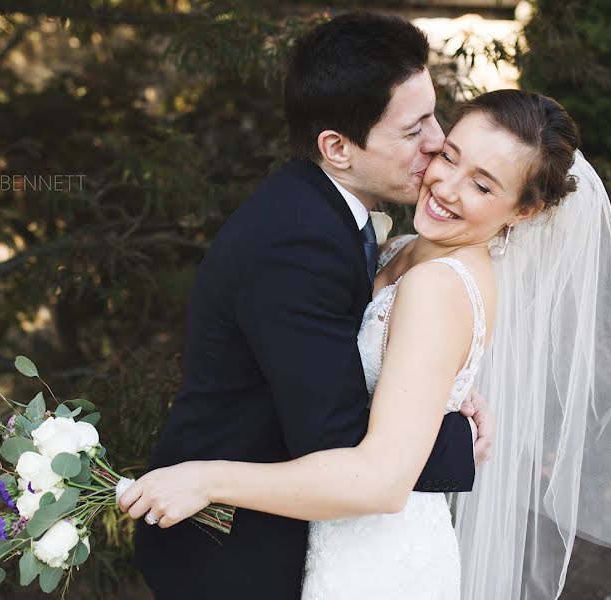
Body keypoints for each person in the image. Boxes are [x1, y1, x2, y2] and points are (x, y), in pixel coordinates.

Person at [120, 88, 611, 599]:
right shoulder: (406, 248)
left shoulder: (438, 287)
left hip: (376, 557)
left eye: (482, 185)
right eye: (449, 157)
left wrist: (206, 481)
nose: (446, 187)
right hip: (332, 533)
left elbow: (381, 484)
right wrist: (451, 401)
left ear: (524, 210)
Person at [129, 13, 495, 600]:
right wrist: (449, 437)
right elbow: (337, 442)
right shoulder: (298, 240)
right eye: (413, 128)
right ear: (337, 147)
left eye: (433, 114)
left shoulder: (326, 208)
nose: (437, 140)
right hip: (232, 552)